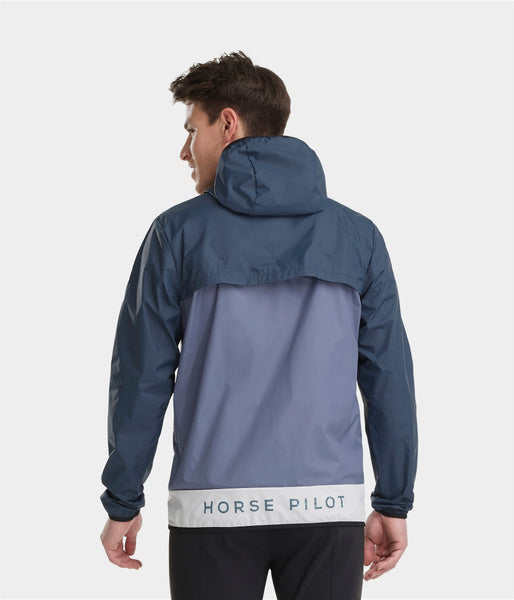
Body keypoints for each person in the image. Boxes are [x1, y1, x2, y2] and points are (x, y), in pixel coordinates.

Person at [99, 51, 418, 599]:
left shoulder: (176, 234)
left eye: (191, 130)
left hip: (211, 509)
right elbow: (389, 377)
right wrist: (393, 501)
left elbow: (142, 376)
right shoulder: (359, 237)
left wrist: (124, 499)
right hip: (327, 508)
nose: (184, 150)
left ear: (228, 124)